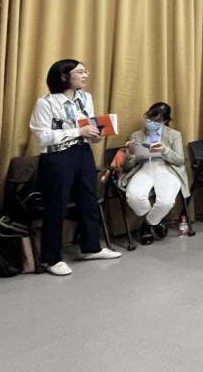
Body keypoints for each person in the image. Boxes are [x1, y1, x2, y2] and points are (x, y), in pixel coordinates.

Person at [28, 60, 122, 276]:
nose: (85, 75)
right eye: (80, 72)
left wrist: (96, 135)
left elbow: (88, 127)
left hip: (83, 153)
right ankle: (51, 259)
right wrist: (78, 132)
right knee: (56, 205)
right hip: (56, 158)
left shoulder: (85, 98)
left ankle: (91, 248)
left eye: (85, 71)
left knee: (89, 200)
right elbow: (43, 136)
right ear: (64, 76)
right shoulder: (46, 103)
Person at [122, 102, 188, 245]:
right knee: (134, 197)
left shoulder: (174, 135)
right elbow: (127, 167)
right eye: (149, 118)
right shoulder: (136, 135)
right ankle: (155, 222)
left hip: (167, 169)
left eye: (156, 121)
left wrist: (166, 150)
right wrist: (131, 154)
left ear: (165, 121)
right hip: (144, 168)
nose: (151, 123)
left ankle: (146, 226)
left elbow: (180, 160)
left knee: (166, 202)